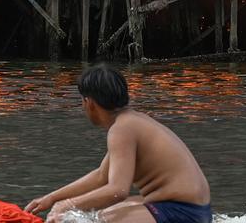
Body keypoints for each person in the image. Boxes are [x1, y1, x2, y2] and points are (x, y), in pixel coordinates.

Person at [24, 66, 211, 223]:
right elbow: (101, 176)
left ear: (88, 102)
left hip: (183, 213)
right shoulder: (130, 121)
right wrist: (53, 198)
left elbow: (118, 190)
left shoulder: (122, 129)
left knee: (97, 219)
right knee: (93, 213)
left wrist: (66, 205)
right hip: (193, 209)